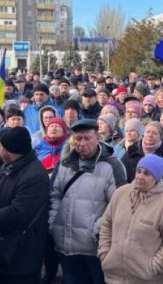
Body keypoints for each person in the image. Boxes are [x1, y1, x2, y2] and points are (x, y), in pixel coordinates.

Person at [49, 119, 127, 284]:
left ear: (98, 137)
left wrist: (97, 229)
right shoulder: (65, 164)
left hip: (94, 248)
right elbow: (55, 195)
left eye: (87, 138)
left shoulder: (112, 166)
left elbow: (119, 205)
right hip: (66, 245)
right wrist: (52, 223)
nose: (82, 143)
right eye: (78, 139)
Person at [98, 154, 163, 284]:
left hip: (147, 279)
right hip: (113, 277)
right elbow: (107, 224)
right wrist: (105, 254)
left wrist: (154, 267)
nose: (140, 177)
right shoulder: (121, 193)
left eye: (147, 173)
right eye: (139, 171)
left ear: (157, 178)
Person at [0, 127, 49, 284]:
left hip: (21, 254)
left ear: (9, 149)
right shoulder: (8, 167)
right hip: (6, 251)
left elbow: (18, 213)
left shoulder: (34, 175)